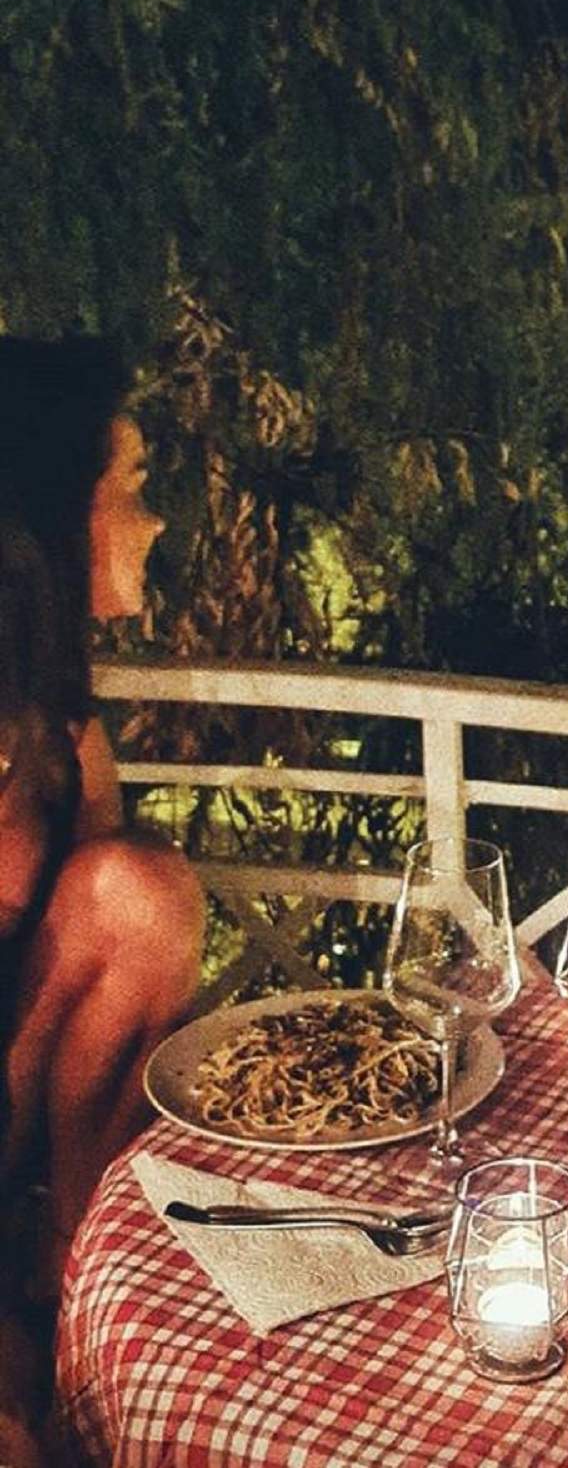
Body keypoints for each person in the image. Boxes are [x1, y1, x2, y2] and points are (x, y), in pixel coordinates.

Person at [0, 338, 204, 1464]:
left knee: (140, 890)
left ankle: (84, 1273)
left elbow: (118, 941)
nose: (154, 520)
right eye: (131, 485)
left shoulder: (58, 738)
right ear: (44, 514)